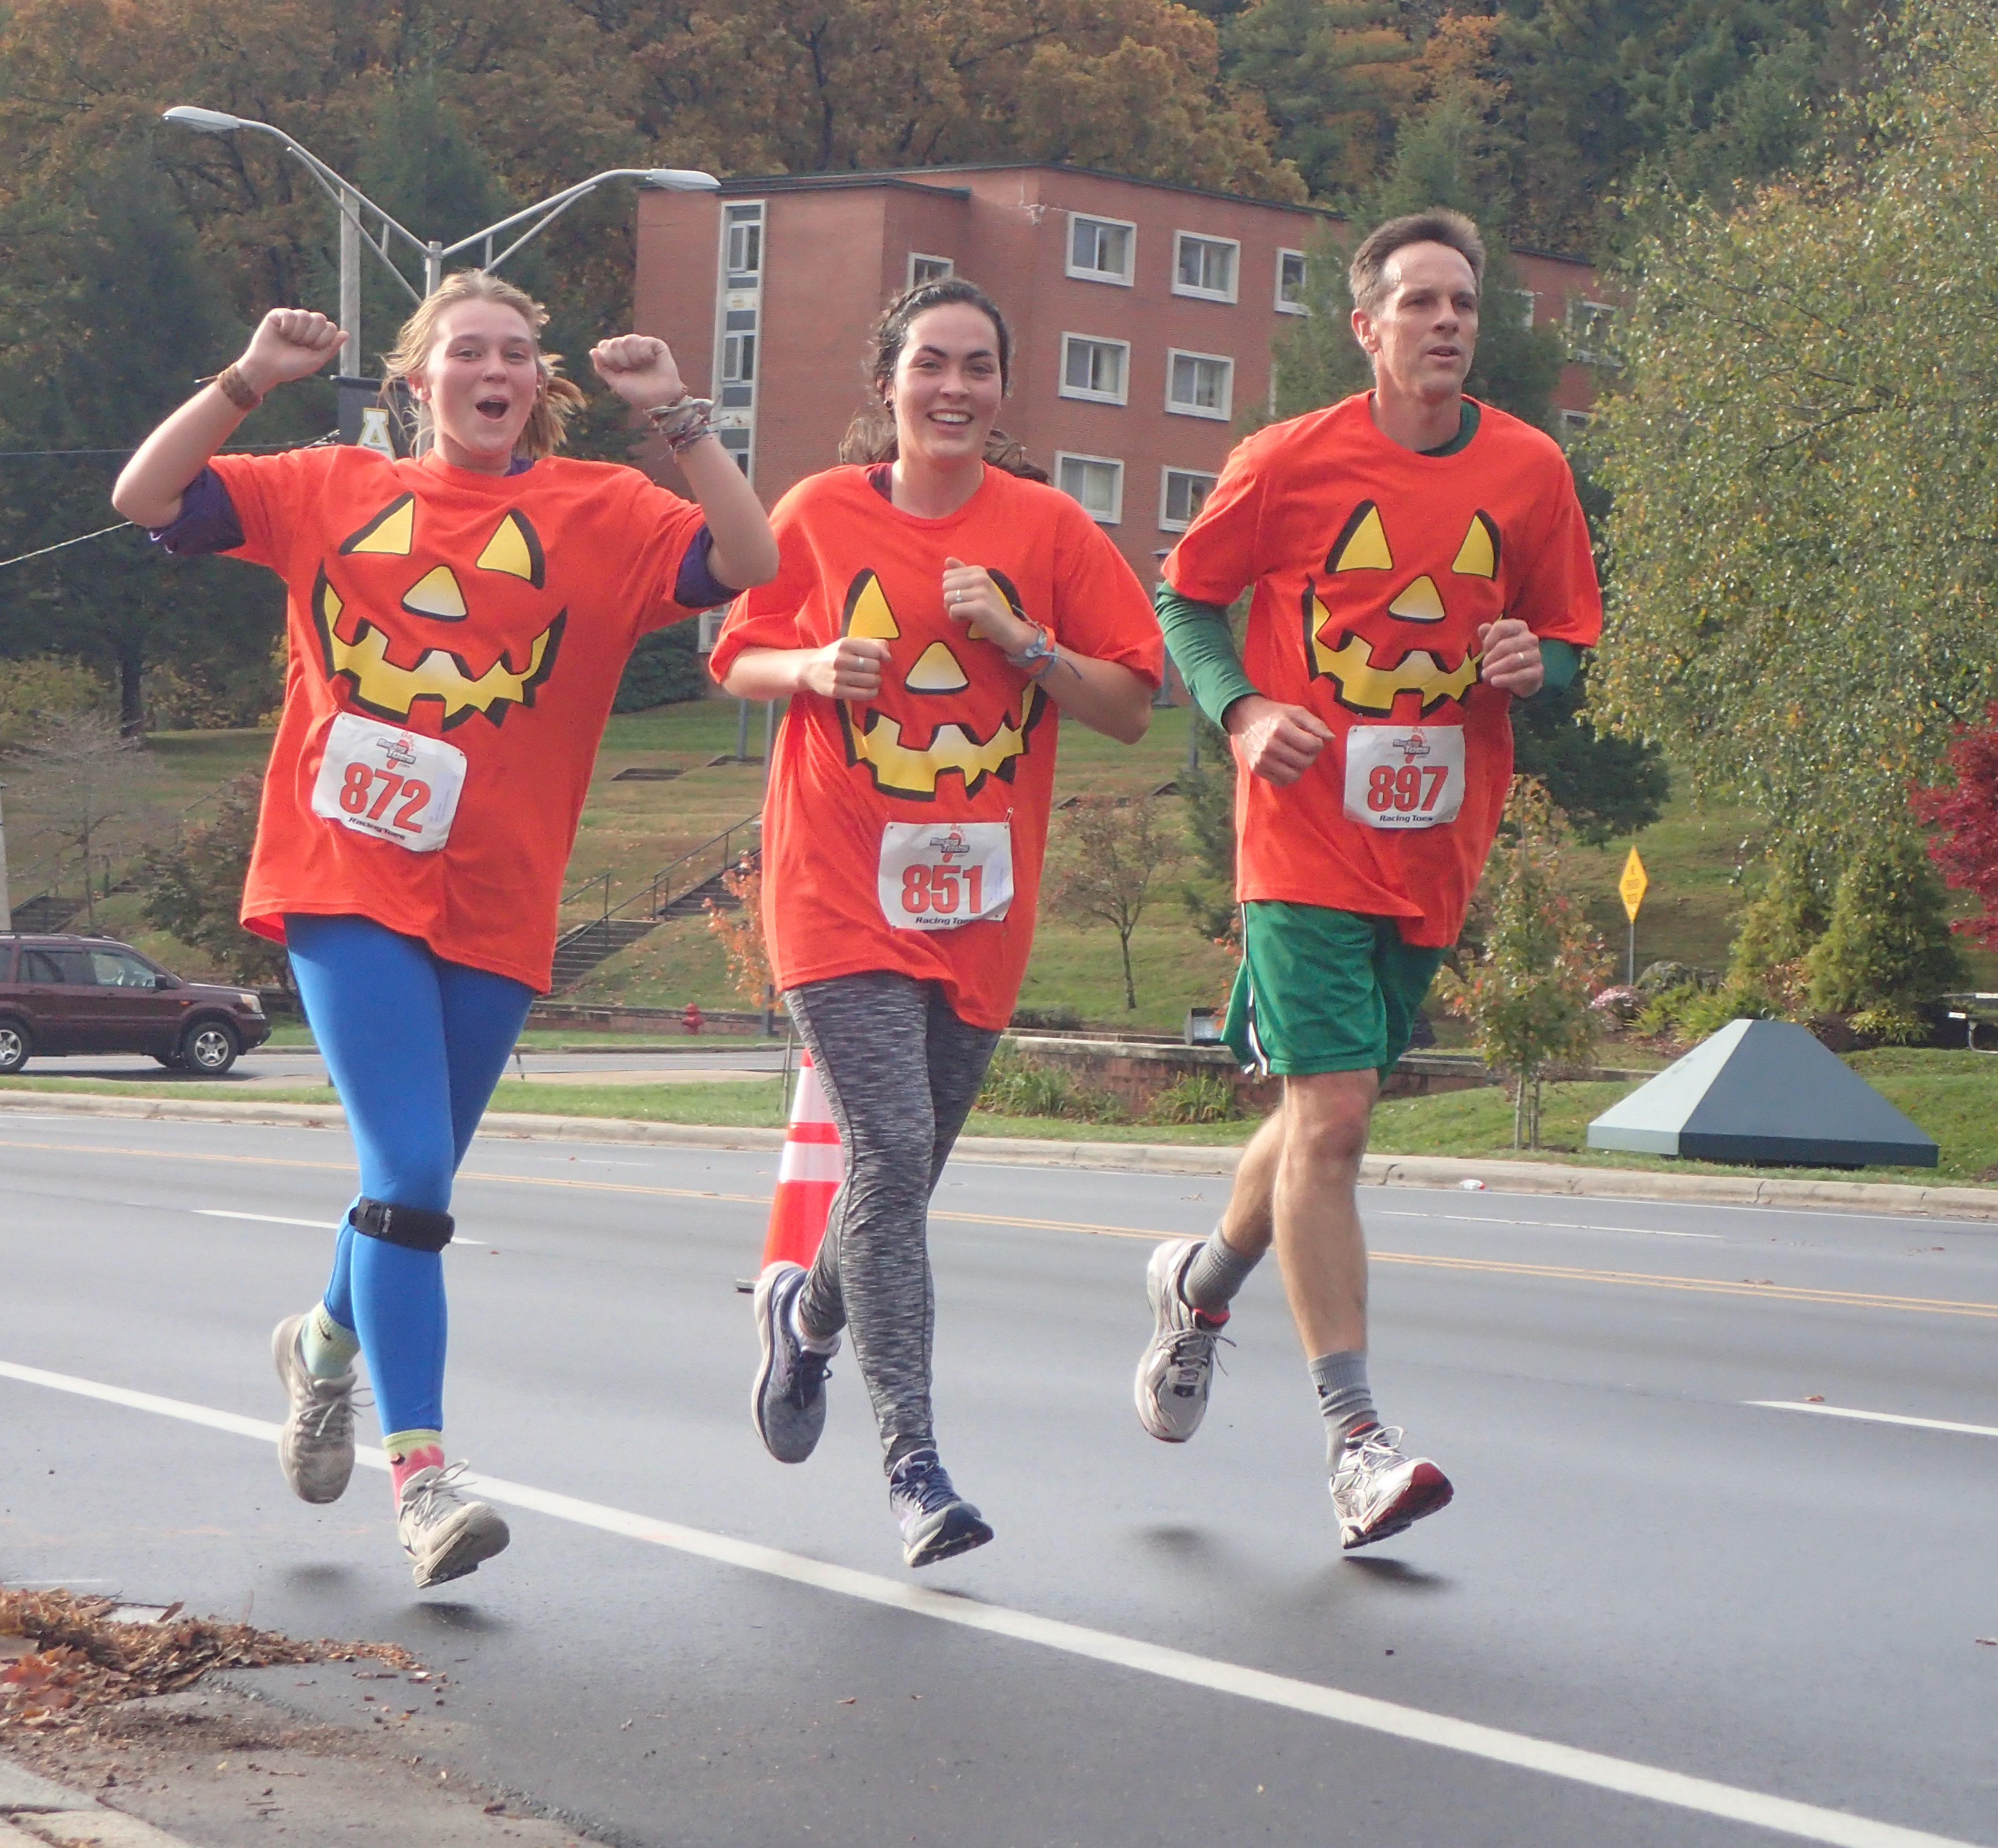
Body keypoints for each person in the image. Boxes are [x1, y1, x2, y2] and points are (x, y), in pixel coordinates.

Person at [111, 274, 775, 1588]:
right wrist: (250, 378)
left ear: (540, 387)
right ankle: (421, 1476)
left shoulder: (601, 510)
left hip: (498, 895)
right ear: (415, 381)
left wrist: (677, 419)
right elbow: (145, 496)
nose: (494, 370)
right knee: (411, 1171)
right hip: (341, 872)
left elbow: (753, 564)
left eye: (517, 356)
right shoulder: (328, 487)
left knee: (409, 1190)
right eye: (466, 351)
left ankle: (318, 1344)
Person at [1131, 210, 1602, 1549]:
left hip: (1434, 837)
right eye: (1423, 302)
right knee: (1336, 1117)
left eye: (1464, 302)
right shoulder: (1288, 461)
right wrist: (1235, 710)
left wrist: (1536, 666)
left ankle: (1200, 1285)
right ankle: (1356, 1441)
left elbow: (1568, 636)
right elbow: (1184, 595)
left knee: (1322, 1112)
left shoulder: (1528, 470)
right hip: (1298, 833)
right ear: (1369, 326)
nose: (1449, 321)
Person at [714, 278, 1163, 1567]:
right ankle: (914, 1465)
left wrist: (1021, 641)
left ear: (1002, 390)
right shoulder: (818, 513)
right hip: (834, 891)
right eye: (931, 365)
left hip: (976, 905)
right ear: (888, 384)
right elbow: (738, 651)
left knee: (895, 1180)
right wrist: (807, 667)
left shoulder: (1051, 529)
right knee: (893, 1153)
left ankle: (804, 1320)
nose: (953, 387)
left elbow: (1132, 705)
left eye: (977, 366)